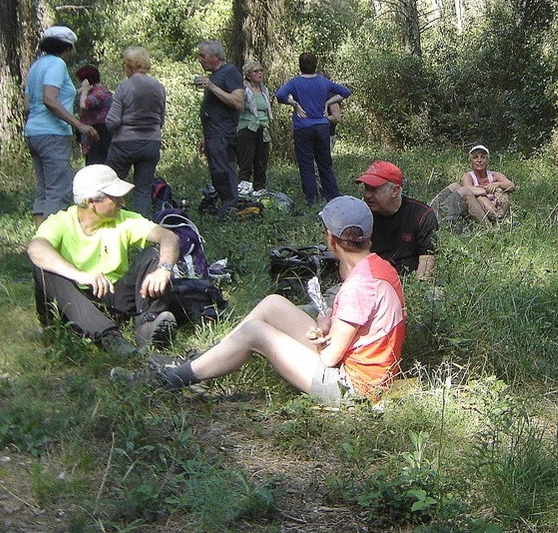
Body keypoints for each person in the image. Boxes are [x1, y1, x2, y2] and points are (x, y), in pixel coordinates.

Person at [129, 196, 406, 404]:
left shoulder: (359, 285)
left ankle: (175, 377)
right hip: (359, 370)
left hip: (352, 388)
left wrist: (323, 338)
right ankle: (211, 357)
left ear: (331, 238)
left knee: (256, 332)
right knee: (273, 303)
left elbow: (331, 357)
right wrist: (325, 325)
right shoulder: (378, 266)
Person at [27, 164, 183, 355]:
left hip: (114, 298)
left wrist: (164, 268)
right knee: (42, 267)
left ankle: (149, 325)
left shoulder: (123, 219)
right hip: (74, 304)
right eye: (115, 197)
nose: (122, 201)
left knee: (156, 254)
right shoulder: (61, 222)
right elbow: (36, 248)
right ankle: (108, 337)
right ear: (91, 201)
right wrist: (81, 276)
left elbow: (169, 237)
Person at [24, 26, 99, 225]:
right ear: (67, 48)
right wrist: (79, 125)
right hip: (53, 134)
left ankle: (39, 240)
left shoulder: (36, 65)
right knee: (59, 190)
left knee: (43, 189)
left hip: (33, 132)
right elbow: (50, 99)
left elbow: (27, 104)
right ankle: (50, 244)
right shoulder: (57, 64)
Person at [274, 53, 351, 204]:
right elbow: (345, 92)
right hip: (322, 126)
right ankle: (333, 196)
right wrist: (327, 103)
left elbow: (280, 95)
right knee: (325, 163)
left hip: (303, 127)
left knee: (306, 163)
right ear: (316, 65)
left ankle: (311, 198)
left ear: (299, 65)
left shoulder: (295, 82)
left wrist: (295, 104)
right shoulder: (323, 82)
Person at [105, 47, 167, 217]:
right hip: (151, 144)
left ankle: (109, 221)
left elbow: (113, 121)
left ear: (129, 66)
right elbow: (161, 120)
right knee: (143, 189)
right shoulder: (159, 87)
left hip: (124, 144)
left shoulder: (124, 87)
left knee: (110, 184)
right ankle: (144, 231)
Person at [356, 160, 437, 281]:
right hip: (371, 280)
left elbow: (426, 265)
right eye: (366, 189)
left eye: (374, 189)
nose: (367, 195)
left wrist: (414, 292)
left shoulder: (422, 216)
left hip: (408, 281)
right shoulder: (361, 215)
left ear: (395, 190)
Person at [194, 41, 244, 216]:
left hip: (224, 133)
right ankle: (226, 206)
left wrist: (212, 87)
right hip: (212, 133)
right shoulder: (215, 75)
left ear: (216, 56)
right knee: (217, 172)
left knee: (224, 170)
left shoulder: (230, 72)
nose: (199, 60)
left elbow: (238, 102)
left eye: (203, 56)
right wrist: (205, 136)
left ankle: (232, 206)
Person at [445, 144, 516, 224]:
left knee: (505, 193)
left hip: (499, 204)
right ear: (471, 161)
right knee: (481, 197)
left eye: (482, 157)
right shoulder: (468, 176)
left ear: (487, 160)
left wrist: (497, 185)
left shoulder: (494, 175)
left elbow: (511, 185)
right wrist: (490, 191)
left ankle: (502, 216)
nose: (479, 160)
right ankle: (495, 217)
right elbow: (468, 188)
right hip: (480, 208)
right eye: (475, 157)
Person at [236, 60, 274, 197]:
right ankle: (242, 191)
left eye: (261, 71)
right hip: (247, 128)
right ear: (248, 75)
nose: (259, 73)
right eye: (255, 71)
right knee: (246, 162)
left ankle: (260, 190)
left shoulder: (264, 91)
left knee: (261, 162)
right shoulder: (243, 91)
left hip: (262, 129)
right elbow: (237, 107)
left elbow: (265, 110)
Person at [76, 65, 113, 166]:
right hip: (92, 132)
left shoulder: (100, 92)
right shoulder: (94, 91)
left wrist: (84, 91)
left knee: (95, 164)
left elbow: (84, 105)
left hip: (100, 132)